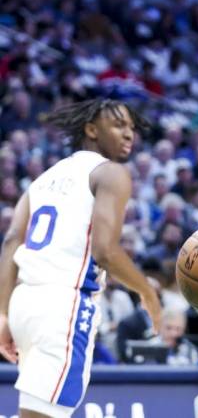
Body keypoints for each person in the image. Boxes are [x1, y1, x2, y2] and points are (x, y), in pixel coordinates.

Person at [0, 99, 162, 418]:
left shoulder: (44, 178)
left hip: (25, 302)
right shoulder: (111, 173)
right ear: (91, 130)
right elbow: (106, 251)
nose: (129, 134)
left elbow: (10, 243)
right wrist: (146, 291)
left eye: (131, 127)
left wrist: (3, 314)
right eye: (118, 126)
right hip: (64, 305)